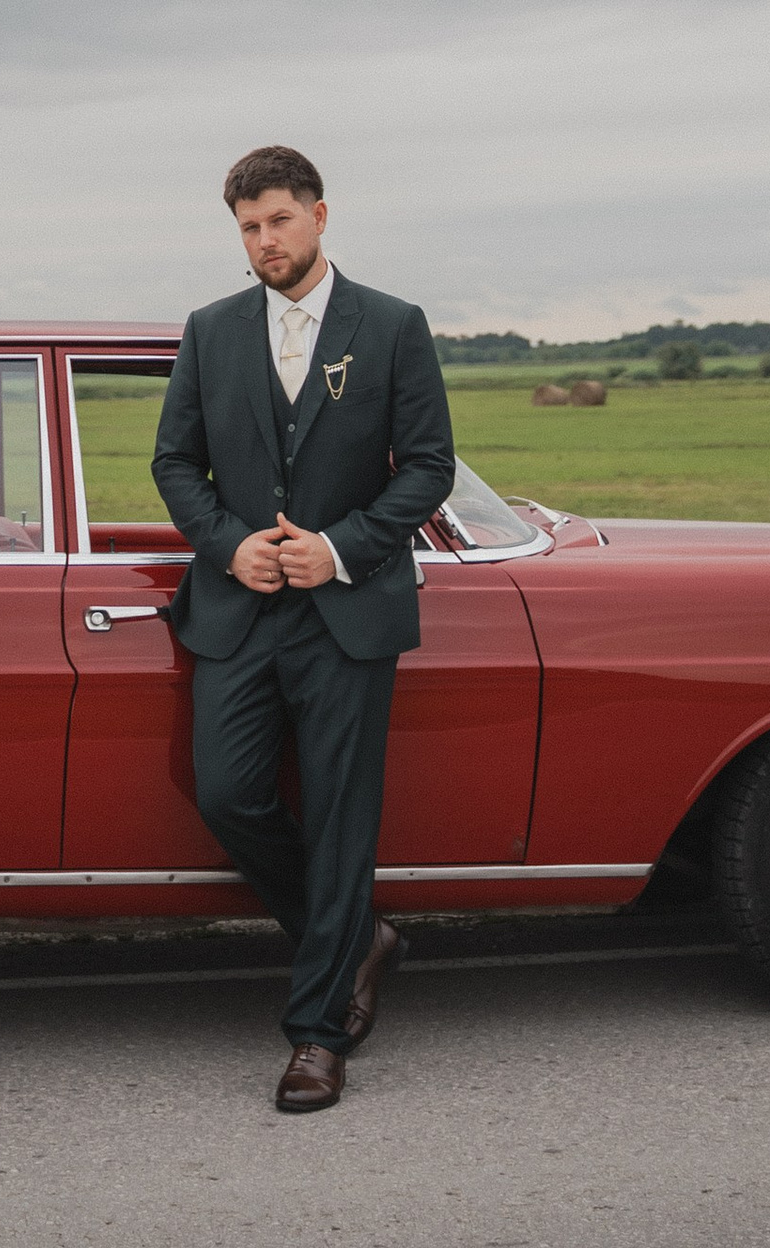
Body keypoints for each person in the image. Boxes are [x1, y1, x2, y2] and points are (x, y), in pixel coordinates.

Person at [150, 143, 455, 1115]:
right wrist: (229, 543)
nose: (262, 240)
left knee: (339, 818)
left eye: (277, 219)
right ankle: (356, 933)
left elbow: (428, 466)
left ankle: (318, 1033)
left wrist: (339, 545)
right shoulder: (210, 328)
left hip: (346, 610)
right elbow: (173, 462)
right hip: (237, 609)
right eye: (247, 225)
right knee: (228, 789)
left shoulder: (394, 324)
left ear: (320, 214)